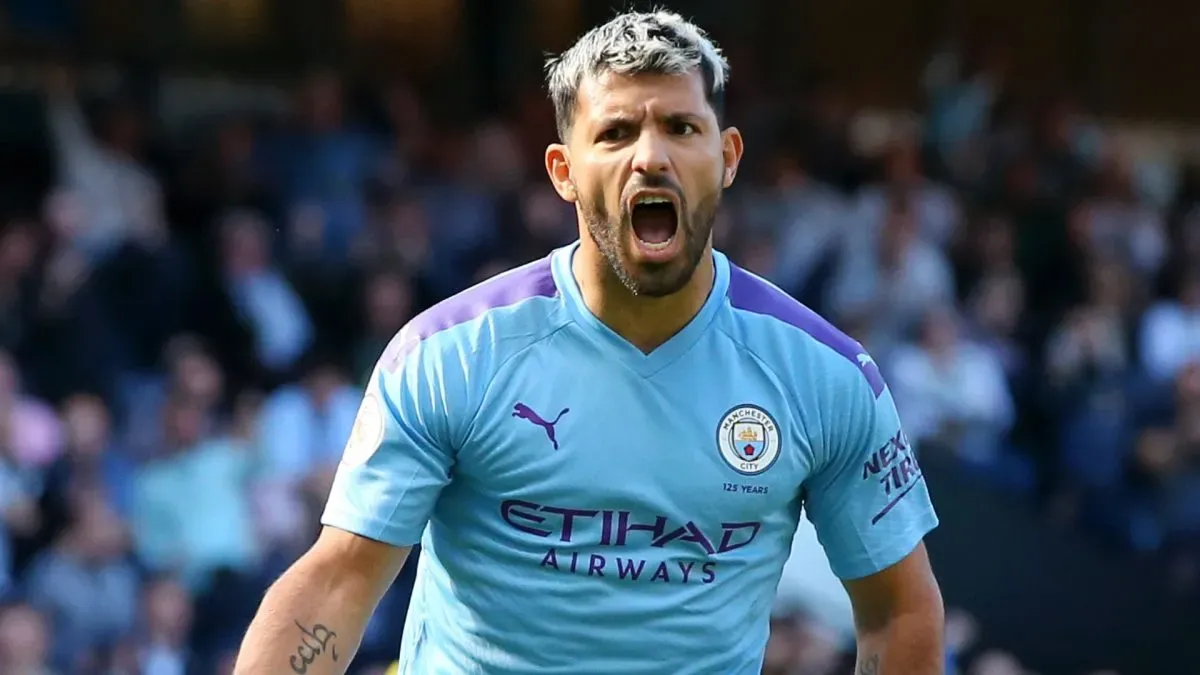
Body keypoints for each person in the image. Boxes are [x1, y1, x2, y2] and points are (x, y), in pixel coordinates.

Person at [233, 10, 944, 674]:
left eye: (680, 128)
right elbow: (336, 583)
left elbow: (900, 607)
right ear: (563, 172)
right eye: (615, 133)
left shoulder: (825, 375)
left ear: (727, 157)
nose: (650, 157)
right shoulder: (450, 355)